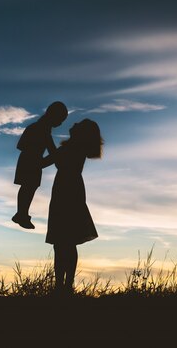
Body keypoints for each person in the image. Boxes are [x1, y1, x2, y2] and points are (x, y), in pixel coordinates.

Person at [41, 118, 103, 294]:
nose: (73, 124)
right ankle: (64, 285)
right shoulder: (74, 148)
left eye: (78, 125)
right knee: (65, 241)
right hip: (69, 190)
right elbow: (51, 161)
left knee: (63, 241)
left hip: (66, 192)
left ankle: (63, 286)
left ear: (82, 133)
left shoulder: (73, 148)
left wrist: (46, 140)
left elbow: (53, 162)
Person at [12, 101, 68, 229]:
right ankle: (21, 214)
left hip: (30, 160)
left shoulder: (38, 127)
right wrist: (50, 155)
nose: (60, 124)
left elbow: (20, 145)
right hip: (30, 161)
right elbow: (49, 148)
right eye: (60, 120)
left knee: (28, 187)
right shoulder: (41, 129)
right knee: (28, 187)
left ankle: (22, 213)